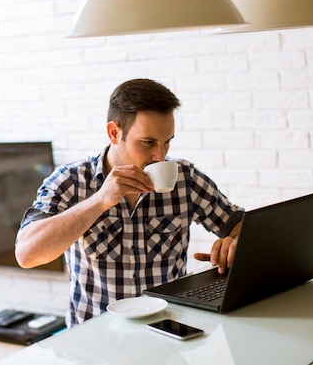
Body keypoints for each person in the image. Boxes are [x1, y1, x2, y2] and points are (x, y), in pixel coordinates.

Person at [15, 78, 244, 326]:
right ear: (115, 133)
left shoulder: (185, 179)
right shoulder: (71, 181)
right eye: (148, 142)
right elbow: (27, 255)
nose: (161, 155)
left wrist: (235, 243)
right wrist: (100, 201)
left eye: (167, 141)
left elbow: (241, 225)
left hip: (167, 331)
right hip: (95, 340)